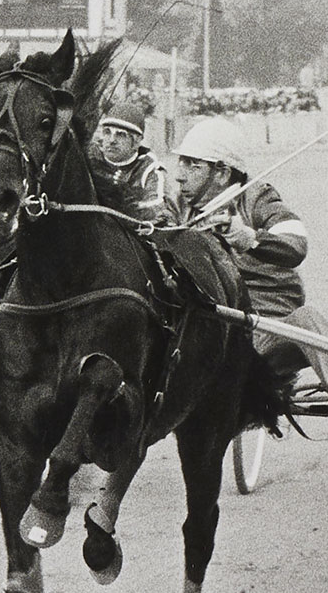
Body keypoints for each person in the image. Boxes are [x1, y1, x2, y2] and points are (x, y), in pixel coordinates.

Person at [172, 116, 315, 390]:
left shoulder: (257, 198)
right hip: (214, 320)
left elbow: (297, 243)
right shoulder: (178, 204)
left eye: (193, 165)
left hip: (267, 321)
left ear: (222, 173)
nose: (180, 174)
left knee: (305, 322)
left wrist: (250, 238)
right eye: (181, 162)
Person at [89, 111, 170, 224]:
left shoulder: (148, 167)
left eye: (121, 134)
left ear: (136, 142)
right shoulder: (89, 159)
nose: (112, 140)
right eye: (107, 132)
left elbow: (158, 210)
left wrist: (124, 198)